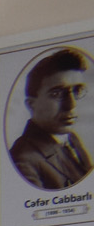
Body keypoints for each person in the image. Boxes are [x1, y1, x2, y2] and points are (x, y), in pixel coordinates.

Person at [9, 45, 91, 191]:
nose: (71, 105)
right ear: (31, 105)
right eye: (56, 94)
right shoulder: (23, 161)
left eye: (77, 90)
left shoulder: (71, 139)